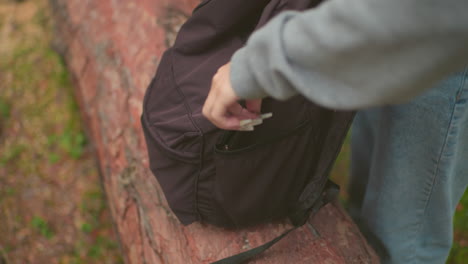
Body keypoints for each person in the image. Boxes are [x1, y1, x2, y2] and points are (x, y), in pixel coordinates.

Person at [202, 0, 468, 263]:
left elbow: (426, 13)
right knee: (371, 200)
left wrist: (262, 63)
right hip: (389, 30)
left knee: (405, 236)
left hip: (445, 53)